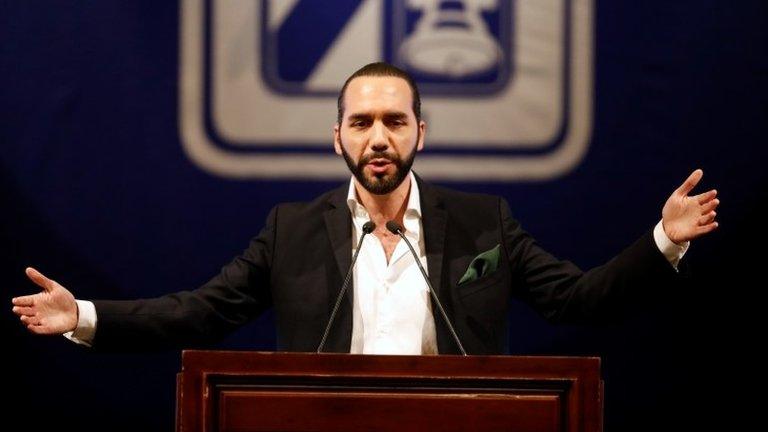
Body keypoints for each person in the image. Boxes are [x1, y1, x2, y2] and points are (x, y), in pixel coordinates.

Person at [11, 62, 719, 355]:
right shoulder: (290, 231)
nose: (378, 137)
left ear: (420, 132)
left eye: (394, 120)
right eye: (361, 123)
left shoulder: (484, 224)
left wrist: (663, 240)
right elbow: (200, 310)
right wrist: (87, 317)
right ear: (338, 138)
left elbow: (581, 300)